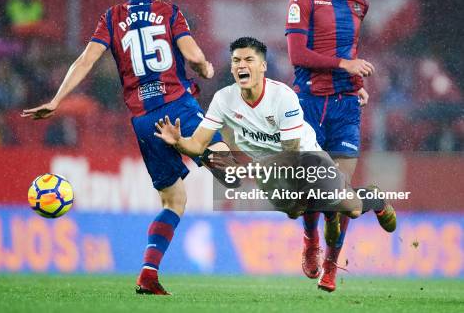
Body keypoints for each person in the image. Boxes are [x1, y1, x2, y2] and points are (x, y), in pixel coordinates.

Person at [22, 0, 225, 295]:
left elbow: (86, 59)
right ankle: (300, 205)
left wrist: (56, 100)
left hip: (145, 121)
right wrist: (203, 66)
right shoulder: (169, 12)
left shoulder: (112, 17)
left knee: (173, 202)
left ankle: (148, 272)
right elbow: (191, 54)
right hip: (178, 107)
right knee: (231, 170)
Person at [153, 37, 396, 283]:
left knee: (352, 209)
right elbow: (197, 144)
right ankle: (313, 233)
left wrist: (253, 169)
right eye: (236, 60)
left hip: (306, 159)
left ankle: (374, 199)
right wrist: (179, 142)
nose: (241, 65)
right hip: (271, 168)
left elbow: (292, 155)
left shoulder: (283, 97)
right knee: (293, 209)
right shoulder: (223, 99)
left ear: (263, 66)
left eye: (249, 60)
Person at [284, 0, 383, 291]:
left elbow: (349, 48)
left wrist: (355, 81)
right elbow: (298, 54)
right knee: (311, 191)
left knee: (337, 193)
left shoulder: (359, 4)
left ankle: (330, 265)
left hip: (344, 106)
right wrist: (346, 65)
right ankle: (311, 240)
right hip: (309, 104)